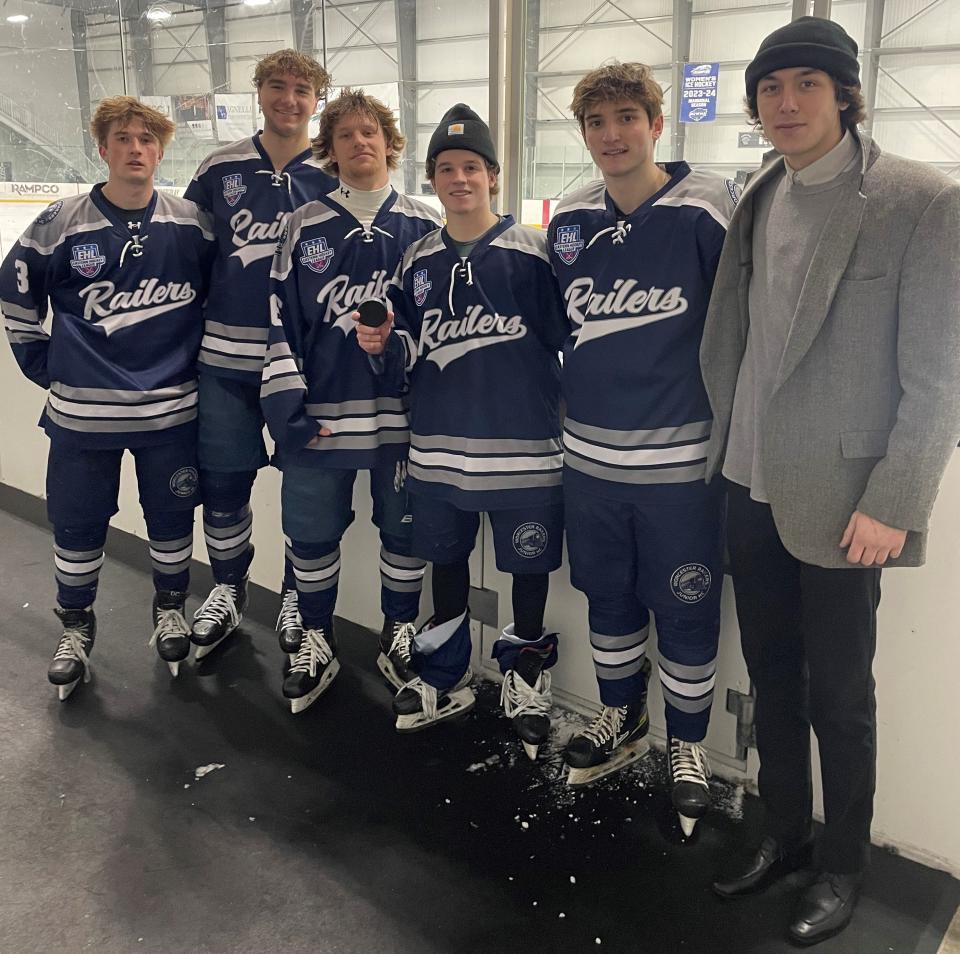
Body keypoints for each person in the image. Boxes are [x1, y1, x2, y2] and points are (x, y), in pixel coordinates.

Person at [702, 17, 960, 945]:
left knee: (841, 698)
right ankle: (784, 835)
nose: (787, 103)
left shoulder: (918, 200)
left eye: (807, 84)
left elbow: (940, 374)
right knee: (771, 679)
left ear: (845, 93)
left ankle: (843, 865)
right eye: (771, 88)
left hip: (849, 503)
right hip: (749, 481)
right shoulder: (761, 193)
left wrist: (895, 501)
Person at [546, 63, 738, 833]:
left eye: (627, 117)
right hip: (588, 466)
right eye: (596, 122)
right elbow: (549, 323)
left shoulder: (709, 206)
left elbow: (743, 327)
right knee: (610, 597)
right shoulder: (571, 218)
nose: (612, 135)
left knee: (687, 607)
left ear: (657, 124)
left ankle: (684, 744)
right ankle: (620, 717)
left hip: (681, 470)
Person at [359, 104, 570, 746]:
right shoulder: (416, 261)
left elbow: (573, 341)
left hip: (527, 455)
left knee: (527, 572)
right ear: (433, 179)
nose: (460, 178)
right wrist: (378, 346)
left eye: (472, 167)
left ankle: (526, 678)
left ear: (494, 176)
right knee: (445, 567)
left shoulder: (536, 255)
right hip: (438, 455)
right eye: (446, 168)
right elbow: (400, 355)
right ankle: (445, 674)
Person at [0, 96, 215, 696]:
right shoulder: (61, 221)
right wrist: (46, 365)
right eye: (123, 138)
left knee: (171, 516)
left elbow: (222, 298)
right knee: (77, 521)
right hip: (81, 418)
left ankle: (169, 607)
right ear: (104, 148)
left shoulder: (190, 222)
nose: (136, 149)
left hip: (171, 413)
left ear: (161, 150)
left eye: (147, 140)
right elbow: (17, 299)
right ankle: (75, 624)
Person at [262, 89, 441, 713]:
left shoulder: (424, 223)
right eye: (345, 135)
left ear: (389, 142)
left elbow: (439, 322)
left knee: (404, 531)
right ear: (330, 151)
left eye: (370, 132)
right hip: (322, 415)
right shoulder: (303, 224)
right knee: (310, 534)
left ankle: (398, 632)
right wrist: (287, 407)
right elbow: (278, 319)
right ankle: (316, 636)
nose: (360, 142)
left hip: (402, 421)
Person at [184, 50, 335, 662]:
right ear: (260, 92)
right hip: (224, 363)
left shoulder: (332, 173)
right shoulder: (220, 168)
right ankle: (227, 587)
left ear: (316, 101)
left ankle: (299, 594)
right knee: (224, 483)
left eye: (303, 90)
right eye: (278, 86)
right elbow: (188, 260)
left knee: (307, 497)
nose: (290, 99)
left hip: (305, 368)